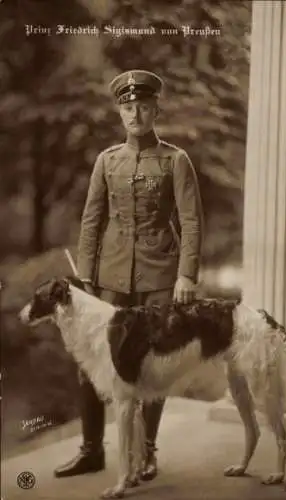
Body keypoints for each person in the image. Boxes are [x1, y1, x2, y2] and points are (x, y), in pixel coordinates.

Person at [54, 70, 202, 480]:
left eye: (142, 106)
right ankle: (90, 450)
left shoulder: (176, 160)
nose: (134, 113)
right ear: (120, 111)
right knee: (90, 361)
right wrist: (85, 278)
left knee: (155, 364)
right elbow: (91, 221)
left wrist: (187, 275)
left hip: (160, 276)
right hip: (110, 278)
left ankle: (147, 451)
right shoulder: (107, 160)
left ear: (156, 109)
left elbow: (191, 222)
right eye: (127, 107)